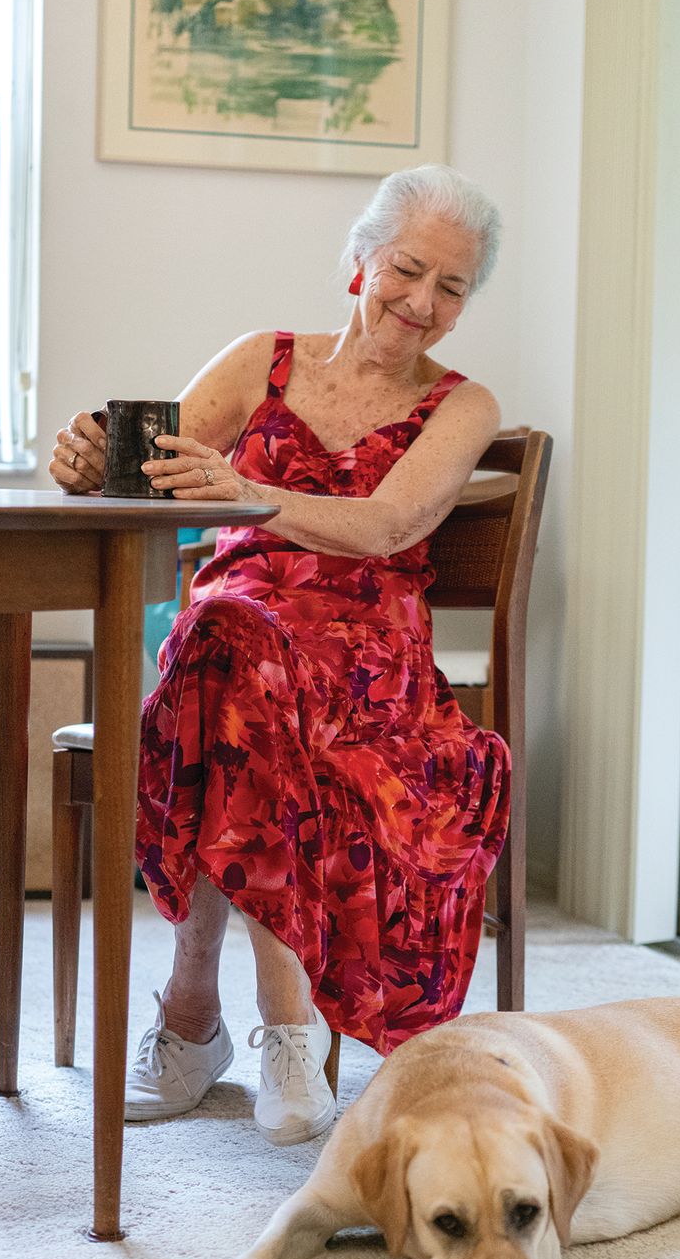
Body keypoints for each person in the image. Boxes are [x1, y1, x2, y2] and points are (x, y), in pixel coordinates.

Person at [48, 164, 510, 1147]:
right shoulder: (265, 360)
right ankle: (283, 1031)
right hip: (236, 634)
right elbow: (149, 475)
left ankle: (191, 1014)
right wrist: (90, 464)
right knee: (231, 641)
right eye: (407, 269)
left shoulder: (465, 406)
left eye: (452, 288)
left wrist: (242, 494)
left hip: (369, 662)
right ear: (360, 258)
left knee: (231, 658)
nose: (421, 302)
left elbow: (391, 523)